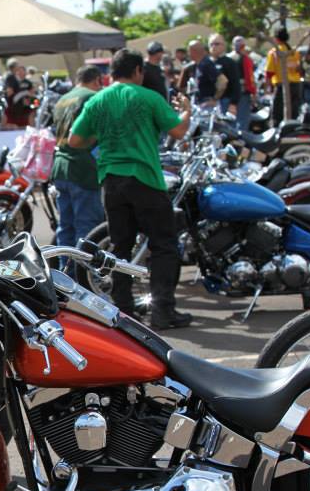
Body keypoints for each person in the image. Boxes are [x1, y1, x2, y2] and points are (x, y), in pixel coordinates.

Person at [68, 49, 193, 330]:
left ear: (111, 72)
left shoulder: (98, 100)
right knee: (163, 246)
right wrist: (186, 110)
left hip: (111, 180)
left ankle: (122, 311)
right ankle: (163, 310)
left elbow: (75, 140)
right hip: (145, 178)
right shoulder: (149, 97)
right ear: (138, 71)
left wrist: (101, 137)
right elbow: (179, 132)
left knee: (120, 246)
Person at [51, 66, 104, 272]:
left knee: (66, 226)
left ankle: (65, 273)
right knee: (87, 228)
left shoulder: (63, 99)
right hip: (83, 168)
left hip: (61, 166)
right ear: (97, 80)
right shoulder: (92, 97)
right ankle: (84, 276)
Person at [265, 27, 303, 124]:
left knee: (277, 114)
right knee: (294, 113)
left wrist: (268, 88)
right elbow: (300, 69)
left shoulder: (274, 53)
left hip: (282, 86)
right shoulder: (294, 52)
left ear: (276, 38)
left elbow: (269, 72)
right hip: (296, 85)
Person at [228, 36, 258, 130]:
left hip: (232, 93)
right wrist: (253, 92)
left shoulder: (228, 58)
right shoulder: (245, 59)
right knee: (242, 120)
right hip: (241, 93)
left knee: (232, 120)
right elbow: (249, 77)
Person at [209, 34, 240, 120]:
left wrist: (233, 104)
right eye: (211, 44)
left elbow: (236, 84)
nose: (214, 47)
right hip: (208, 103)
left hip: (225, 101)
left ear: (224, 46)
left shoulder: (230, 63)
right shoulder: (207, 63)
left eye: (217, 44)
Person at [188, 39, 220, 105]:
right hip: (199, 101)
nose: (188, 53)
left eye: (189, 51)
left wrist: (214, 99)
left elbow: (223, 81)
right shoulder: (196, 65)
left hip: (207, 102)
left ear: (194, 51)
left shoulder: (207, 64)